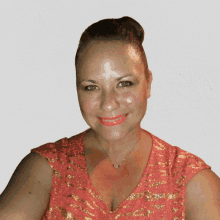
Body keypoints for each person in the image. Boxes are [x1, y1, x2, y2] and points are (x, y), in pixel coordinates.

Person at [0, 16, 219, 220]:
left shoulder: (191, 181)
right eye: (91, 87)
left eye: (124, 84)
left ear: (148, 83)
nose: (108, 103)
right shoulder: (46, 168)